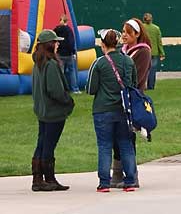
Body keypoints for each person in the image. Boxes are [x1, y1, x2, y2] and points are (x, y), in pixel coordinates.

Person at [86, 29, 138, 192]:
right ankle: (130, 180)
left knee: (104, 145)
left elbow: (90, 89)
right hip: (124, 110)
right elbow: (133, 84)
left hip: (103, 109)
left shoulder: (99, 63)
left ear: (103, 44)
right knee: (126, 144)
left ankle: (104, 183)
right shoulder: (128, 61)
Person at [31, 29, 74, 192]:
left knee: (41, 143)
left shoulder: (38, 64)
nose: (58, 44)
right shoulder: (50, 65)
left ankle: (38, 178)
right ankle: (47, 178)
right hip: (53, 112)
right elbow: (55, 90)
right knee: (48, 145)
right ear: (49, 44)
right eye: (55, 42)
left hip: (42, 111)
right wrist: (68, 101)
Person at [110, 18, 151, 188]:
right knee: (115, 137)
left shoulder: (142, 51)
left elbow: (137, 78)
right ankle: (117, 173)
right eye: (123, 32)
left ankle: (132, 175)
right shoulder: (123, 51)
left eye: (128, 32)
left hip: (132, 99)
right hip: (118, 99)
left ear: (137, 34)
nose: (124, 35)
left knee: (127, 137)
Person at [54, 15, 79, 94]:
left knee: (61, 72)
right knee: (72, 71)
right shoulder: (68, 30)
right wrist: (73, 52)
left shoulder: (56, 29)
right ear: (66, 21)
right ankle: (74, 89)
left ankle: (61, 89)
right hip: (68, 54)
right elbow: (71, 42)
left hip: (59, 54)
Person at [142, 13, 165, 90]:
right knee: (152, 70)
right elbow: (159, 42)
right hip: (154, 52)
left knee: (143, 70)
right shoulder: (156, 28)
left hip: (143, 51)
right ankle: (151, 86)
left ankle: (143, 85)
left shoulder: (141, 28)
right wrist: (162, 53)